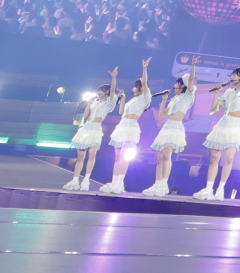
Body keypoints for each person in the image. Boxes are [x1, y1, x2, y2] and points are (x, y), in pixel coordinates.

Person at [194, 59, 240, 200]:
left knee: (229, 158)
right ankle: (208, 189)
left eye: (234, 75)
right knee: (214, 158)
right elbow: (214, 108)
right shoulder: (228, 92)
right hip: (222, 124)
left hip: (235, 125)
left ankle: (220, 189)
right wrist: (217, 93)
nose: (231, 77)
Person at [102, 60, 152, 193]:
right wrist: (123, 99)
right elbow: (121, 112)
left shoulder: (145, 98)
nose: (133, 88)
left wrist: (145, 68)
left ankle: (119, 184)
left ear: (140, 88)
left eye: (135, 87)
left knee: (124, 157)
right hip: (121, 126)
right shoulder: (132, 100)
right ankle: (114, 183)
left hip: (131, 127)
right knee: (117, 157)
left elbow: (145, 83)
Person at [63, 69, 118, 191]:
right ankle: (75, 180)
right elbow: (86, 115)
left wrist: (114, 77)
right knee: (80, 157)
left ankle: (86, 181)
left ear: (106, 92)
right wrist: (89, 103)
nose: (98, 92)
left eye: (101, 90)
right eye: (98, 90)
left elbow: (113, 91)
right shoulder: (95, 102)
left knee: (92, 155)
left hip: (96, 130)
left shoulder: (109, 103)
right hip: (86, 128)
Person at [146, 73, 195, 195]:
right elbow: (162, 115)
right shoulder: (174, 99)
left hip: (176, 127)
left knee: (167, 155)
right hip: (166, 127)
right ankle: (157, 184)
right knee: (159, 156)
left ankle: (164, 185)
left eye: (176, 84)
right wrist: (164, 100)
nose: (174, 87)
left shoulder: (188, 97)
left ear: (182, 85)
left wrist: (193, 65)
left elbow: (190, 81)